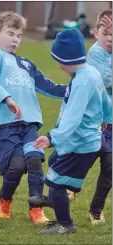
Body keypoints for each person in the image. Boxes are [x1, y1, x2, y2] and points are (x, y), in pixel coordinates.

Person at [0, 11, 67, 224]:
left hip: (30, 124)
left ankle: (36, 209)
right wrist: (7, 99)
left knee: (35, 161)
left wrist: (75, 89)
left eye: (18, 35)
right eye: (10, 33)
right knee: (18, 166)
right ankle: (4, 198)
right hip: (6, 124)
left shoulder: (26, 64)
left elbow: (47, 86)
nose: (15, 39)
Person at [28, 28, 112, 234]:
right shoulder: (90, 72)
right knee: (55, 164)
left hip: (80, 142)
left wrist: (50, 137)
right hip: (84, 140)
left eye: (58, 59)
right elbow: (106, 102)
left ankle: (65, 224)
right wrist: (108, 120)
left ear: (65, 60)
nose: (58, 64)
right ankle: (58, 199)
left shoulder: (83, 82)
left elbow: (73, 119)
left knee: (56, 182)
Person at [86, 10, 112, 225]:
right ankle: (66, 189)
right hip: (94, 123)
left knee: (110, 168)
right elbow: (107, 79)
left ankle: (96, 210)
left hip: (110, 123)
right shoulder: (94, 54)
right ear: (96, 32)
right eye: (106, 32)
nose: (111, 37)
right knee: (81, 162)